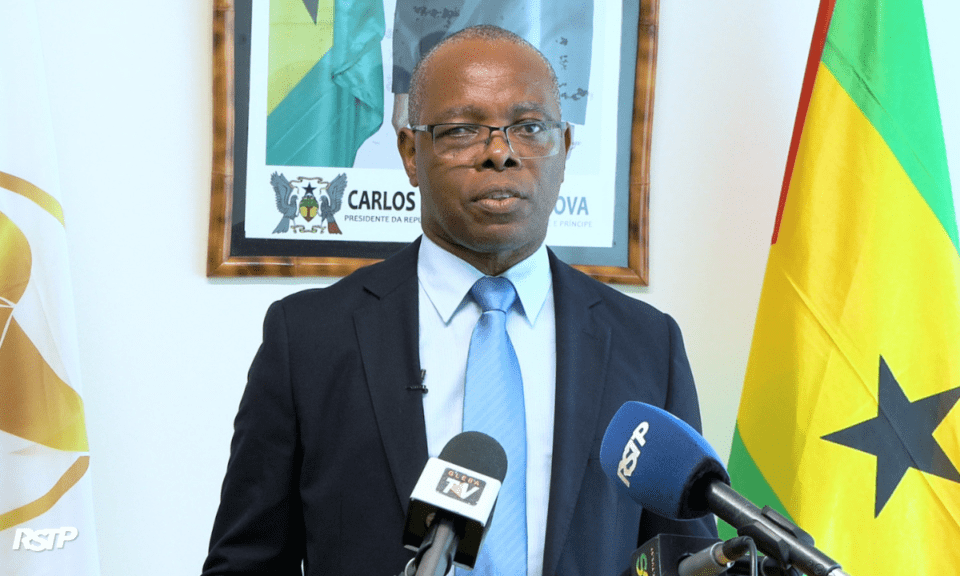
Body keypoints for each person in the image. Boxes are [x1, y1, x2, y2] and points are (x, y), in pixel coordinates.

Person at [202, 25, 716, 576]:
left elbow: (687, 561)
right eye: (463, 130)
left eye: (530, 127)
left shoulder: (647, 344)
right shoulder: (309, 337)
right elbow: (247, 562)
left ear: (564, 149)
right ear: (410, 152)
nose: (500, 153)